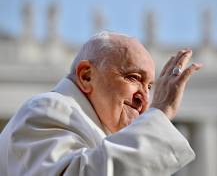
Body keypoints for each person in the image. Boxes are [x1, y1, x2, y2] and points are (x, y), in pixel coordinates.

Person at [0, 31, 202, 176]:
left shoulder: (98, 133)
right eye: (133, 78)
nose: (144, 98)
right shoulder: (48, 108)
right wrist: (161, 111)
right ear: (86, 76)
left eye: (149, 87)